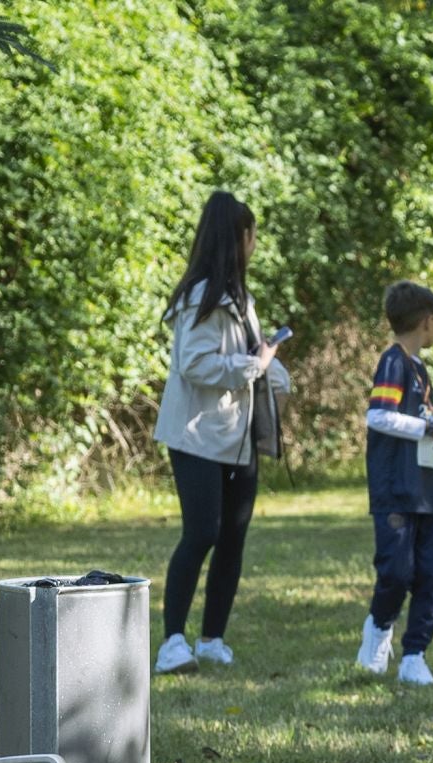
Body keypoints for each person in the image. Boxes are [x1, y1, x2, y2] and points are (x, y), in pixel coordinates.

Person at [152, 190, 290, 676]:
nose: (255, 244)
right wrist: (255, 365)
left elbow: (250, 358)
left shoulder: (240, 299)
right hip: (196, 435)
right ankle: (172, 643)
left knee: (234, 536)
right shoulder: (200, 297)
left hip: (237, 436)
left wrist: (274, 371)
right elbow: (194, 364)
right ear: (240, 237)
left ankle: (212, 639)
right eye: (252, 235)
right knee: (202, 532)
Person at [356, 281, 433, 686]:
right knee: (397, 572)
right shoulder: (393, 362)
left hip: (427, 492)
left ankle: (414, 654)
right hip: (395, 491)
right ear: (427, 321)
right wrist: (430, 428)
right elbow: (378, 416)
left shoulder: (419, 368)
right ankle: (378, 634)